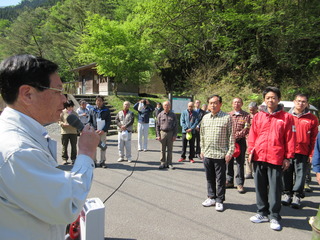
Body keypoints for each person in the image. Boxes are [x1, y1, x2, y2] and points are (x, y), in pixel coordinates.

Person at [0, 54, 99, 239]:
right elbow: (66, 206)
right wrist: (86, 153)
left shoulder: (20, 135)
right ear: (27, 94)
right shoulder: (17, 150)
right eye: (58, 91)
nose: (64, 100)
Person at [248, 86, 295, 231]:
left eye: (273, 97)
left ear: (278, 99)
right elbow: (252, 135)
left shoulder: (287, 117)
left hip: (276, 157)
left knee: (275, 189)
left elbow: (290, 138)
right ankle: (262, 212)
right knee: (260, 187)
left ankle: (274, 216)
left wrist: (288, 157)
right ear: (264, 100)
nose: (270, 100)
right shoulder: (258, 116)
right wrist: (250, 150)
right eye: (268, 97)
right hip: (259, 156)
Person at [281, 94, 318, 208]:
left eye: (303, 101)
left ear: (307, 104)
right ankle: (287, 194)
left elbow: (314, 138)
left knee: (300, 175)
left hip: (303, 152)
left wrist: (312, 154)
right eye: (298, 101)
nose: (300, 103)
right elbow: (281, 135)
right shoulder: (286, 116)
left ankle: (297, 195)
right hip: (288, 151)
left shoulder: (312, 118)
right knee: (286, 173)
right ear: (294, 102)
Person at [200, 95, 234, 212]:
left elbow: (231, 136)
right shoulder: (205, 118)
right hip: (207, 153)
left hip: (220, 154)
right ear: (208, 105)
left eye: (215, 103)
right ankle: (211, 197)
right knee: (209, 178)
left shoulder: (227, 118)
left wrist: (230, 152)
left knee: (220, 179)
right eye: (210, 103)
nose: (213, 105)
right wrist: (202, 149)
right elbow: (202, 135)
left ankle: (219, 200)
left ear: (220, 104)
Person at [226, 97, 250, 194]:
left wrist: (236, 136)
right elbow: (226, 127)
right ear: (232, 104)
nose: (237, 104)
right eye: (235, 102)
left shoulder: (246, 115)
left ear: (242, 104)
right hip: (229, 142)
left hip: (240, 141)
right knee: (229, 161)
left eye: (239, 102)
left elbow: (246, 128)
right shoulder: (228, 115)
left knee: (240, 163)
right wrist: (231, 137)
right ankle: (229, 181)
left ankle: (240, 183)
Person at [89, 95, 111, 168]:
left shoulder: (106, 110)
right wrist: (93, 129)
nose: (98, 102)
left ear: (103, 102)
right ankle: (94, 161)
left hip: (103, 132)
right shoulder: (92, 110)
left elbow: (108, 122)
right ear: (95, 101)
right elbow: (90, 121)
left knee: (103, 147)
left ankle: (102, 161)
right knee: (93, 147)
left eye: (100, 101)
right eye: (97, 100)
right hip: (94, 132)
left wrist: (103, 130)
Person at [156, 101, 178, 169]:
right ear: (163, 106)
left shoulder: (173, 115)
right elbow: (157, 126)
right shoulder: (160, 114)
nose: (167, 106)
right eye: (165, 105)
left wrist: (174, 135)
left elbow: (176, 126)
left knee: (170, 150)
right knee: (162, 149)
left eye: (168, 105)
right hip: (162, 133)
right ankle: (162, 163)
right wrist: (158, 135)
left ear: (170, 106)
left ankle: (169, 163)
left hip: (170, 133)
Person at [58, 100, 78, 165]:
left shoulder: (75, 113)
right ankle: (64, 159)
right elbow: (59, 120)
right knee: (64, 146)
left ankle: (74, 158)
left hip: (73, 132)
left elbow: (78, 122)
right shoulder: (62, 113)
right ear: (66, 107)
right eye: (69, 107)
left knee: (74, 146)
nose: (70, 108)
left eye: (71, 106)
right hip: (65, 131)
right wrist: (63, 124)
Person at [245, 102, 259, 179]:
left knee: (256, 155)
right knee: (248, 154)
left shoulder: (260, 116)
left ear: (256, 108)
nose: (251, 112)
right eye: (250, 110)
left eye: (253, 110)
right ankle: (248, 171)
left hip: (258, 138)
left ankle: (255, 171)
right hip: (248, 138)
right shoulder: (247, 116)